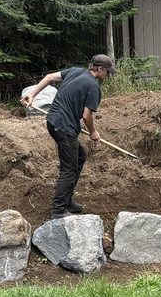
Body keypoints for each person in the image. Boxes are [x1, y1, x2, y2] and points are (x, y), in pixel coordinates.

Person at [22, 53, 114, 219]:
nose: (108, 75)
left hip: (53, 121)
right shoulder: (93, 87)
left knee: (80, 156)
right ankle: (59, 210)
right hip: (64, 127)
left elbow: (49, 77)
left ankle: (68, 200)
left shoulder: (75, 71)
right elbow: (87, 116)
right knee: (69, 168)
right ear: (100, 69)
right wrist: (93, 132)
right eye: (107, 72)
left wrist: (32, 94)